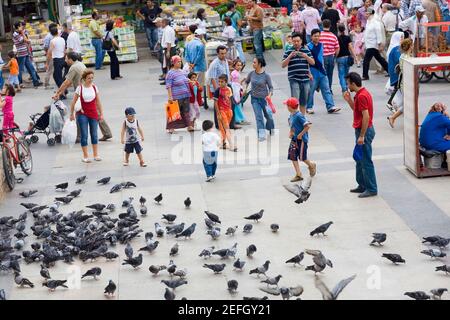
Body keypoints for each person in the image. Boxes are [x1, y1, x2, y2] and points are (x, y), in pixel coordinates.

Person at [53, 52, 112, 142]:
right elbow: (71, 82)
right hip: (90, 89)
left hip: (83, 93)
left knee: (80, 113)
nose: (65, 60)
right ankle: (107, 133)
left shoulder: (73, 67)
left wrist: (58, 92)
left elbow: (67, 82)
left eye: (66, 58)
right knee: (95, 112)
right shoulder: (80, 64)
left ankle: (80, 137)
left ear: (70, 59)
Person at [343, 72, 378, 198]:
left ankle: (371, 188)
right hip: (362, 129)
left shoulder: (362, 96)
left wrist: (362, 136)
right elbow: (356, 110)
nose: (347, 86)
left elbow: (366, 116)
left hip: (364, 130)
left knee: (365, 160)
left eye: (348, 83)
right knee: (359, 159)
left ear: (353, 83)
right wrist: (349, 100)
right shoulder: (360, 94)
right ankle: (362, 185)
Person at [69, 69, 105, 163]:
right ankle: (85, 156)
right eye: (89, 78)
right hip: (82, 114)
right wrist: (71, 114)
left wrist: (101, 113)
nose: (91, 79)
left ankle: (96, 155)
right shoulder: (79, 88)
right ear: (84, 78)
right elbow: (73, 102)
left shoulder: (94, 87)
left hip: (93, 113)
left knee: (94, 134)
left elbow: (98, 101)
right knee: (84, 135)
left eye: (92, 78)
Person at [306, 29, 341, 114]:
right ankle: (309, 107)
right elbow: (306, 61)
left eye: (318, 36)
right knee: (311, 90)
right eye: (315, 36)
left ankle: (330, 106)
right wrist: (308, 72)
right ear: (311, 37)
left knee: (326, 89)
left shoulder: (322, 45)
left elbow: (321, 58)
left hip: (322, 71)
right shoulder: (307, 46)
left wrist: (323, 68)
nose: (317, 37)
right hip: (313, 70)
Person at [284, 97, 317, 182]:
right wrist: (291, 132)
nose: (286, 107)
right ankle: (298, 174)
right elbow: (292, 125)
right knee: (292, 155)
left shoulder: (299, 115)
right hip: (294, 139)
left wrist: (300, 134)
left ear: (290, 107)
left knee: (302, 157)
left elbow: (307, 126)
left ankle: (311, 165)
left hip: (301, 140)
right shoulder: (291, 115)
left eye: (287, 105)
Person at [282, 32, 315, 114]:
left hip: (305, 79)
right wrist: (290, 56)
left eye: (298, 41)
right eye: (294, 41)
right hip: (294, 78)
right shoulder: (288, 51)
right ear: (292, 41)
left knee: (304, 101)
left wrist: (305, 56)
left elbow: (313, 63)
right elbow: (283, 65)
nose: (296, 43)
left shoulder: (306, 51)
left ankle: (302, 119)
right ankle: (294, 117)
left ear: (301, 41)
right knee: (295, 101)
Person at [244, 57, 275, 141]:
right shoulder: (251, 74)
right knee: (259, 117)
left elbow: (271, 88)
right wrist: (245, 88)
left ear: (259, 64)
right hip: (254, 99)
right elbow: (246, 82)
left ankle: (270, 128)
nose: (253, 64)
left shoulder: (266, 76)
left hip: (265, 100)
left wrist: (269, 95)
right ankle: (261, 135)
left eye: (254, 62)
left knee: (268, 117)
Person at [387, 38, 412, 128]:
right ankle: (393, 117)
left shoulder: (403, 56)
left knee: (407, 103)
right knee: (408, 104)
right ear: (410, 47)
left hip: (404, 83)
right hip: (406, 84)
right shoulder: (406, 58)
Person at [166, 55, 193, 134]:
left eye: (180, 61)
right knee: (174, 112)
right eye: (178, 61)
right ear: (173, 63)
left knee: (186, 111)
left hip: (185, 95)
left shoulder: (181, 71)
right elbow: (168, 86)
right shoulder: (170, 73)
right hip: (176, 96)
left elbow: (185, 79)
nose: (180, 63)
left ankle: (189, 126)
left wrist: (190, 81)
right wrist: (170, 97)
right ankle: (171, 128)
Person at [362, 7, 388, 80]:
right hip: (369, 43)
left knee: (366, 60)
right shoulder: (368, 22)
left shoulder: (375, 22)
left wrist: (379, 43)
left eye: (367, 14)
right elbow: (366, 33)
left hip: (373, 44)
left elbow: (378, 33)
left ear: (371, 14)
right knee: (380, 59)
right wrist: (363, 41)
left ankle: (365, 75)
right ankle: (389, 71)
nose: (366, 15)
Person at [12, 22, 41, 88]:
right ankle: (18, 83)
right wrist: (22, 33)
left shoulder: (20, 33)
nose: (22, 27)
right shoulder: (15, 34)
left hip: (26, 53)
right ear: (18, 27)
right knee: (20, 70)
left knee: (31, 68)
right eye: (21, 26)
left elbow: (27, 40)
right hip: (21, 54)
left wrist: (23, 34)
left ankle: (35, 82)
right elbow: (25, 40)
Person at [207, 45, 231, 126]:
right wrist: (218, 91)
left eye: (225, 53)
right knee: (217, 107)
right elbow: (213, 78)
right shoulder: (214, 64)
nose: (223, 55)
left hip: (226, 87)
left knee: (227, 106)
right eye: (221, 53)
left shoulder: (225, 61)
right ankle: (218, 124)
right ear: (217, 54)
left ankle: (227, 123)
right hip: (218, 89)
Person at [214, 74, 238, 151]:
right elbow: (215, 103)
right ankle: (232, 145)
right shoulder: (217, 91)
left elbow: (230, 99)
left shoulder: (229, 89)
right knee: (227, 128)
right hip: (221, 111)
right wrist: (218, 114)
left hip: (228, 111)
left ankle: (223, 143)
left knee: (223, 129)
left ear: (226, 82)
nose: (220, 83)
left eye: (222, 82)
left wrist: (231, 110)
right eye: (219, 82)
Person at [319, 19, 340, 92]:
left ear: (322, 25)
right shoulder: (333, 36)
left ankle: (324, 88)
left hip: (322, 57)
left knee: (323, 73)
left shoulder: (319, 35)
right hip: (331, 56)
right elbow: (337, 48)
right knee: (330, 74)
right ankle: (329, 88)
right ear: (330, 26)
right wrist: (335, 56)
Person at [46, 26, 66, 97]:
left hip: (57, 60)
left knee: (57, 77)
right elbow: (64, 49)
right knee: (58, 76)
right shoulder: (62, 39)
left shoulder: (53, 41)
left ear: (51, 34)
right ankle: (64, 90)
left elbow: (49, 52)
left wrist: (47, 62)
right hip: (62, 58)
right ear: (57, 32)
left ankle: (62, 93)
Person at [336, 24, 356, 92]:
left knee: (341, 74)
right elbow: (350, 47)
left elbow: (336, 48)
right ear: (344, 30)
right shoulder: (347, 37)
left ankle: (344, 88)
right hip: (347, 57)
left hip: (340, 58)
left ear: (338, 30)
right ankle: (346, 86)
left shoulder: (337, 38)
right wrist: (355, 56)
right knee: (346, 74)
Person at [230, 59, 249, 125]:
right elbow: (234, 82)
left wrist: (243, 80)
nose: (239, 67)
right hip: (235, 89)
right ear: (234, 65)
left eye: (240, 65)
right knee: (237, 103)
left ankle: (239, 118)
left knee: (238, 104)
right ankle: (239, 119)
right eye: (238, 65)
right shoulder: (234, 73)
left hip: (237, 88)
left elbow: (238, 82)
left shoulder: (236, 72)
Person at [161, 18, 177, 85]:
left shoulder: (167, 30)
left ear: (164, 23)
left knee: (169, 65)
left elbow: (168, 42)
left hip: (169, 49)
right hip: (170, 48)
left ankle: (170, 81)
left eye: (162, 23)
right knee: (170, 65)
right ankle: (170, 80)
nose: (161, 24)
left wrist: (168, 51)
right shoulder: (169, 29)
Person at [42, 23, 57, 89]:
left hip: (55, 54)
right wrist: (48, 53)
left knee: (55, 69)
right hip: (50, 55)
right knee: (49, 69)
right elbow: (45, 47)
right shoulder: (48, 37)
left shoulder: (54, 36)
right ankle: (46, 84)